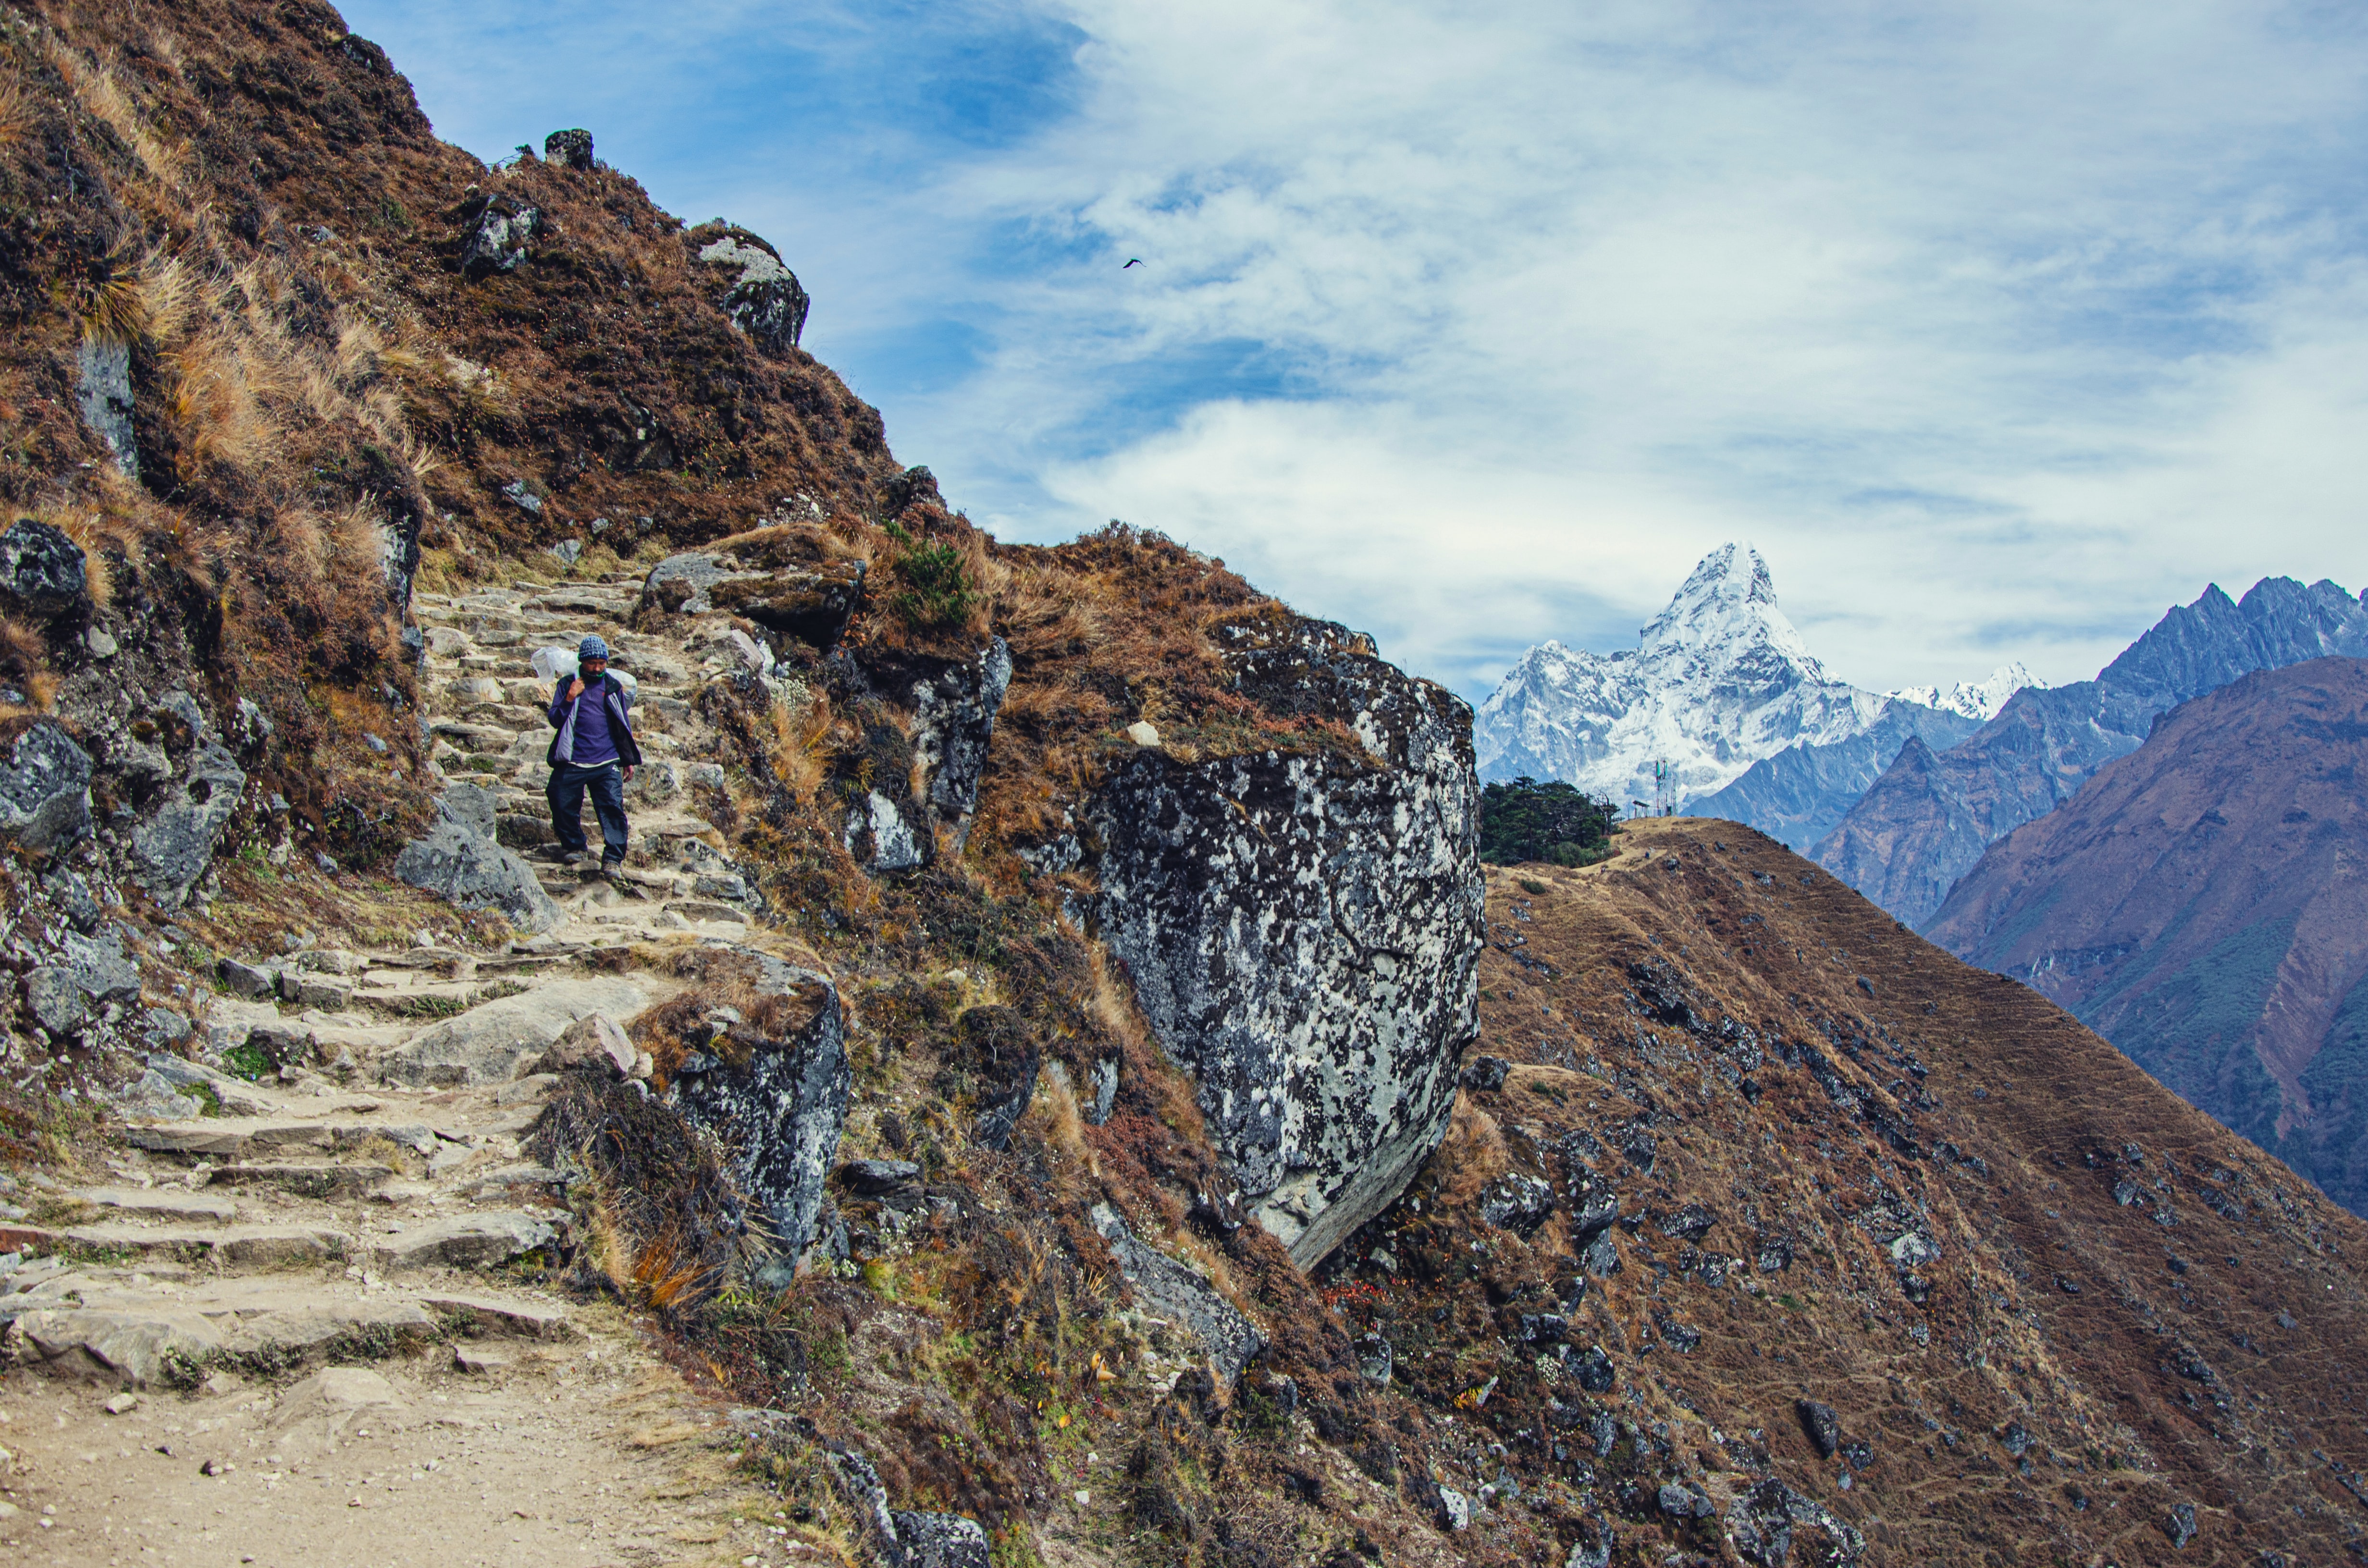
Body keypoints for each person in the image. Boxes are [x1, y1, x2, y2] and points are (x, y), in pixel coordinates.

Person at [546, 634, 640, 876]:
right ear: (582, 661)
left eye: (602, 663)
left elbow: (622, 724)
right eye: (592, 663)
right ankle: (575, 845)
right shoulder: (568, 684)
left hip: (606, 760)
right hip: (573, 759)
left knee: (612, 809)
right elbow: (555, 719)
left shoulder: (612, 686)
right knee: (559, 796)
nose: (597, 668)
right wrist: (570, 697)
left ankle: (612, 860)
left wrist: (627, 759)